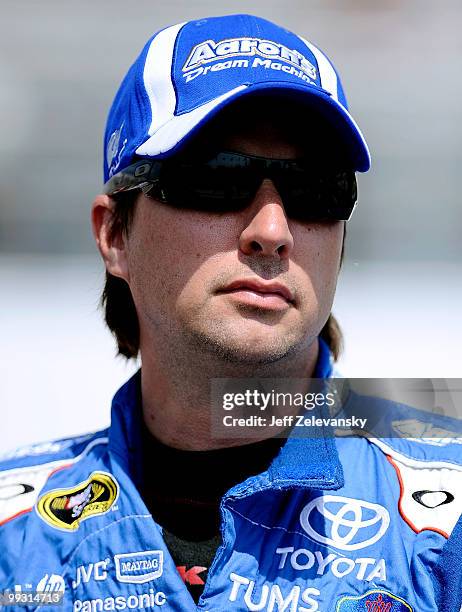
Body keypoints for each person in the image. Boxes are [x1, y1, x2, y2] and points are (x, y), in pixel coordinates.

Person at [0, 14, 460, 612]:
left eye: (315, 189)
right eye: (215, 179)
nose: (272, 232)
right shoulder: (14, 536)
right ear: (115, 233)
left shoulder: (447, 521)